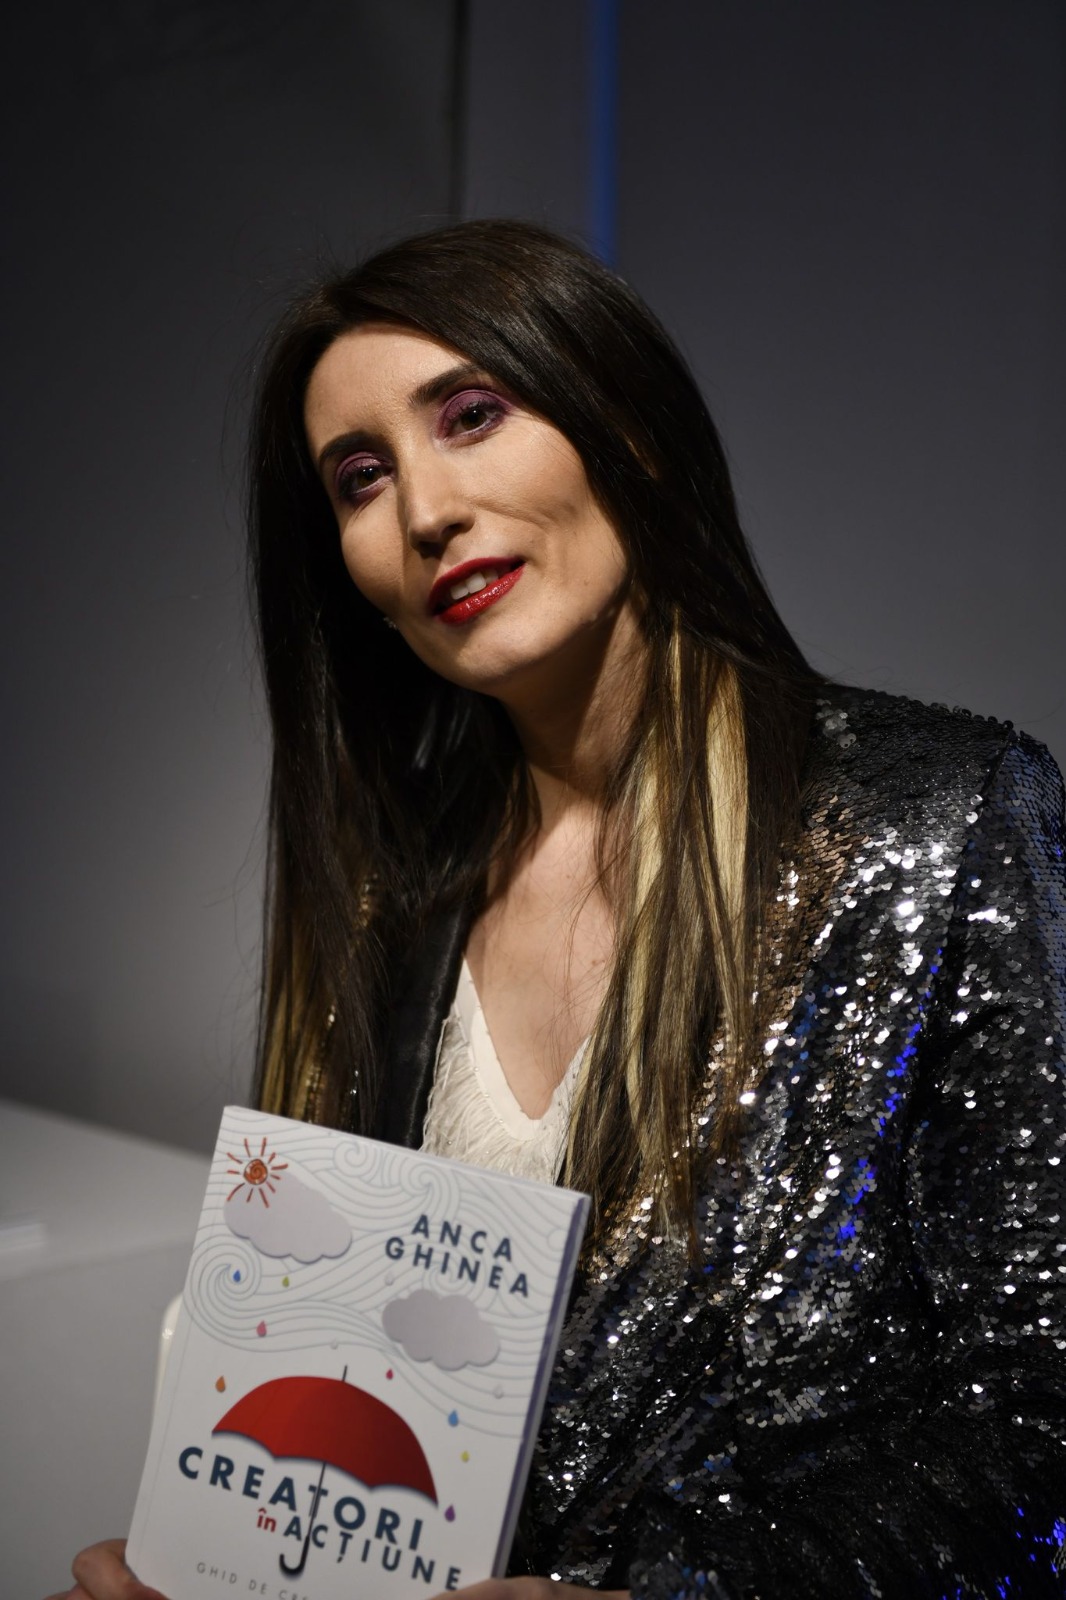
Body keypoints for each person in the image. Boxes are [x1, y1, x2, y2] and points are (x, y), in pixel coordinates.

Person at [52, 220, 1065, 1600]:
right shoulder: (393, 901)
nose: (424, 510)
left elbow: (1039, 1410)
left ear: (625, 428)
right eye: (360, 478)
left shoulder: (939, 821)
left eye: (471, 416)